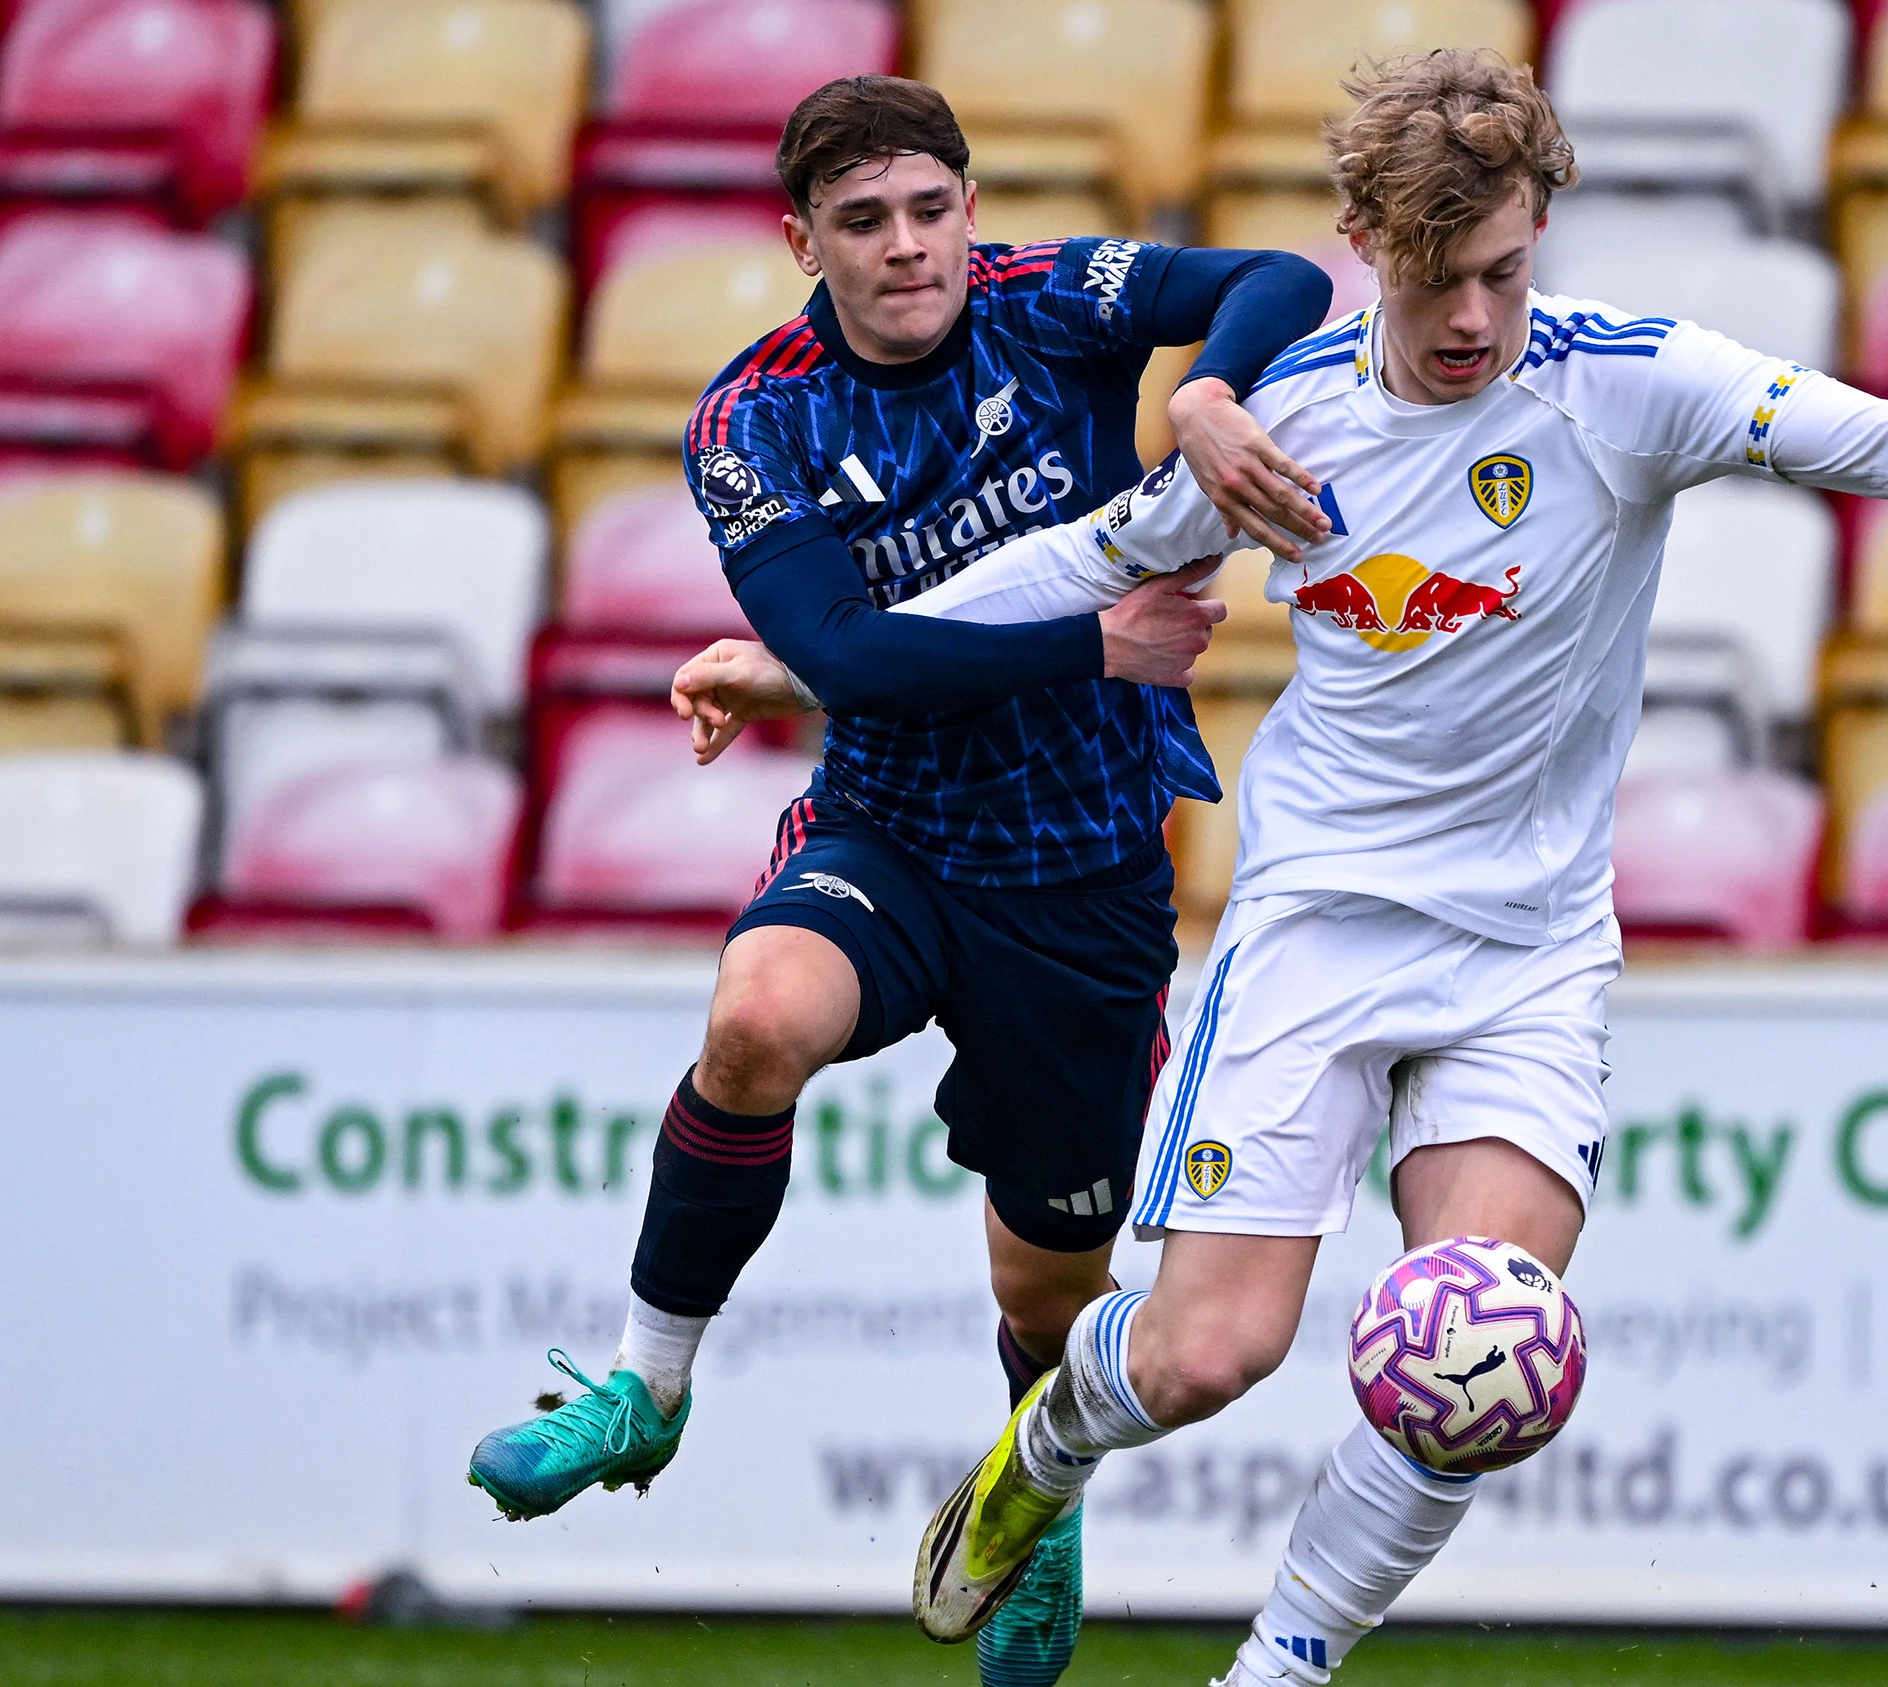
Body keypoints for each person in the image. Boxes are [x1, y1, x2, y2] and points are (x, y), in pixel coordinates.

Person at [674, 49, 1888, 1686]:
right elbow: (1077, 565)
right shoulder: (1288, 421)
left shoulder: (1625, 385)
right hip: (1319, 927)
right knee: (1209, 1355)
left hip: (1528, 949)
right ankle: (1047, 1452)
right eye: (1434, 279)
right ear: (1363, 240)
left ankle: (1281, 1664)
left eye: (1501, 268)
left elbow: (1858, 431)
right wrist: (802, 670)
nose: (1474, 316)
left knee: (1485, 1351)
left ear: (1540, 225)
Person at [461, 73, 1335, 1687]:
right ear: (802, 239)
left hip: (1083, 873)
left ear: (967, 209)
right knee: (756, 1018)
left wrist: (1208, 392)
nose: (910, 247)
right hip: (895, 838)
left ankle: (1034, 1490)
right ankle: (647, 1389)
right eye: (864, 222)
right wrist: (1098, 638)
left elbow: (1282, 281)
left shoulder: (1049, 302)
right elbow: (850, 656)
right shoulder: (755, 420)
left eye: (932, 209)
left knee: (1048, 1281)